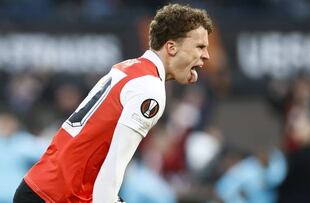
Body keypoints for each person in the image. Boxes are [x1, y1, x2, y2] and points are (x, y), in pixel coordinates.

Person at [13, 3, 213, 203]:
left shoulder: (127, 68)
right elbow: (115, 164)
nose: (206, 55)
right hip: (56, 196)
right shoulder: (150, 89)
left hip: (42, 188)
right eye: (200, 46)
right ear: (171, 47)